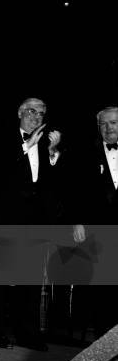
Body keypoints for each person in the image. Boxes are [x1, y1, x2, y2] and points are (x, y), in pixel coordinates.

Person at [0, 97, 64, 351]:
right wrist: (26, 145)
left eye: (41, 113)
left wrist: (52, 153)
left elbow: (49, 185)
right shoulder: (1, 137)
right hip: (7, 215)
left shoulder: (45, 144)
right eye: (31, 111)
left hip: (35, 219)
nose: (36, 117)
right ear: (19, 112)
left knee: (30, 278)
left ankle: (26, 332)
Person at [69, 106, 118, 338]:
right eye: (104, 124)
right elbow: (77, 191)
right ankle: (102, 340)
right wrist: (78, 221)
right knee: (102, 287)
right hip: (98, 227)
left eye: (114, 122)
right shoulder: (87, 154)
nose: (109, 128)